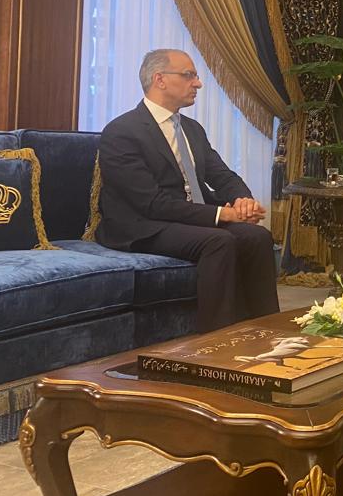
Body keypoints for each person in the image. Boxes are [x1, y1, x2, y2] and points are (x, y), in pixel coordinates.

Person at [96, 49, 278, 333]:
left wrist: (242, 200)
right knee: (219, 241)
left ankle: (268, 332)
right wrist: (222, 214)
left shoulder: (192, 129)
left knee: (258, 237)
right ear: (160, 80)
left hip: (188, 218)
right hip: (144, 225)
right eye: (189, 75)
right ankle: (217, 342)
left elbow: (221, 175)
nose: (198, 83)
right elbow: (151, 203)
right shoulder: (122, 132)